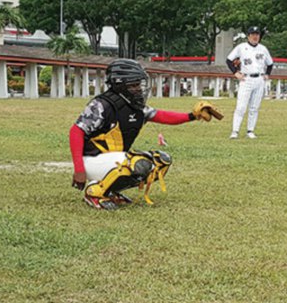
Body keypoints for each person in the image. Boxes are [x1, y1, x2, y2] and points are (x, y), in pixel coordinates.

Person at [69, 58, 223, 210]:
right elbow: (76, 131)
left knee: (160, 162)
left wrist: (192, 115)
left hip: (112, 160)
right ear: (120, 85)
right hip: (91, 160)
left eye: (139, 84)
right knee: (136, 162)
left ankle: (109, 191)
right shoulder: (101, 105)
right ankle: (94, 193)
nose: (139, 88)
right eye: (134, 85)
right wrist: (79, 169)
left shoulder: (136, 107)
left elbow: (163, 116)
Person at [226, 26, 274, 139]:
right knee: (241, 107)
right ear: (248, 36)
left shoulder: (263, 49)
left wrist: (267, 74)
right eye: (253, 34)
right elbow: (229, 60)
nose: (255, 37)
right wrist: (235, 72)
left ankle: (250, 131)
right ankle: (235, 131)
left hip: (259, 79)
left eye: (257, 34)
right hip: (246, 79)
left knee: (254, 107)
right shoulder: (241, 47)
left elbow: (270, 63)